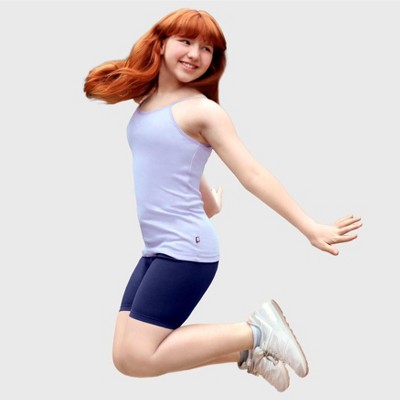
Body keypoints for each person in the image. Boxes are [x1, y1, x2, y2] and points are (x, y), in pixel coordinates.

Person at [84, 8, 362, 392]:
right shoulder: (147, 100)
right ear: (161, 43)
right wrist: (207, 202)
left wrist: (309, 226)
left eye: (207, 48)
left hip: (185, 249)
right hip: (157, 247)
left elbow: (253, 174)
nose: (195, 54)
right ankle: (248, 352)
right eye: (186, 41)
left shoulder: (204, 111)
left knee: (141, 356)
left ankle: (256, 332)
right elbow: (177, 159)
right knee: (125, 358)